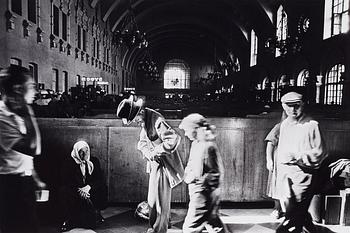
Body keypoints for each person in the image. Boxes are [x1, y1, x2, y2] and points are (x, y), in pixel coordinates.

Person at [116, 95, 184, 233]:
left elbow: (174, 140)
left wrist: (156, 151)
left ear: (139, 112)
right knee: (152, 200)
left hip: (165, 166)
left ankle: (160, 229)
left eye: (133, 119)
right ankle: (155, 227)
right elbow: (141, 143)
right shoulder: (145, 120)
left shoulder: (157, 120)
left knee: (161, 202)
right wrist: (149, 154)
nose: (134, 122)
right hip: (155, 164)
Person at [0, 65, 45, 233]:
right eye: (32, 86)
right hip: (9, 186)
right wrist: (28, 112)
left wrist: (34, 177)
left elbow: (19, 156)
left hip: (23, 182)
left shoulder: (16, 113)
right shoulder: (2, 116)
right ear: (18, 89)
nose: (36, 91)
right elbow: (33, 148)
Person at [275, 91, 328, 233]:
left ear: (302, 105)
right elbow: (282, 152)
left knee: (291, 221)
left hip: (303, 176)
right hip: (286, 176)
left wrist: (299, 157)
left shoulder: (311, 125)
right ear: (283, 106)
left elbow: (321, 152)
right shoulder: (285, 125)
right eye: (289, 106)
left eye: (296, 106)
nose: (293, 110)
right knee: (300, 214)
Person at [179, 113, 227, 233]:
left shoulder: (208, 146)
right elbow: (192, 164)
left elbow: (215, 173)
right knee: (214, 224)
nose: (185, 134)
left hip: (202, 195)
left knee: (190, 228)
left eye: (187, 130)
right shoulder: (197, 143)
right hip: (199, 192)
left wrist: (201, 188)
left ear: (196, 129)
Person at [59, 140, 107, 232]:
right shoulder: (68, 162)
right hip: (76, 190)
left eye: (86, 151)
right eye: (81, 152)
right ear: (77, 151)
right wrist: (80, 190)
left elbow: (99, 179)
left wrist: (88, 187)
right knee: (63, 190)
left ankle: (97, 211)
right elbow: (66, 180)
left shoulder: (94, 161)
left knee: (102, 187)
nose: (84, 154)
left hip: (88, 190)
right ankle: (67, 219)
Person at [265, 111, 287, 219]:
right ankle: (277, 209)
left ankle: (289, 211)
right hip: (279, 161)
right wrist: (269, 160)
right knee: (276, 185)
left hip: (292, 162)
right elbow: (270, 143)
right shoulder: (279, 127)